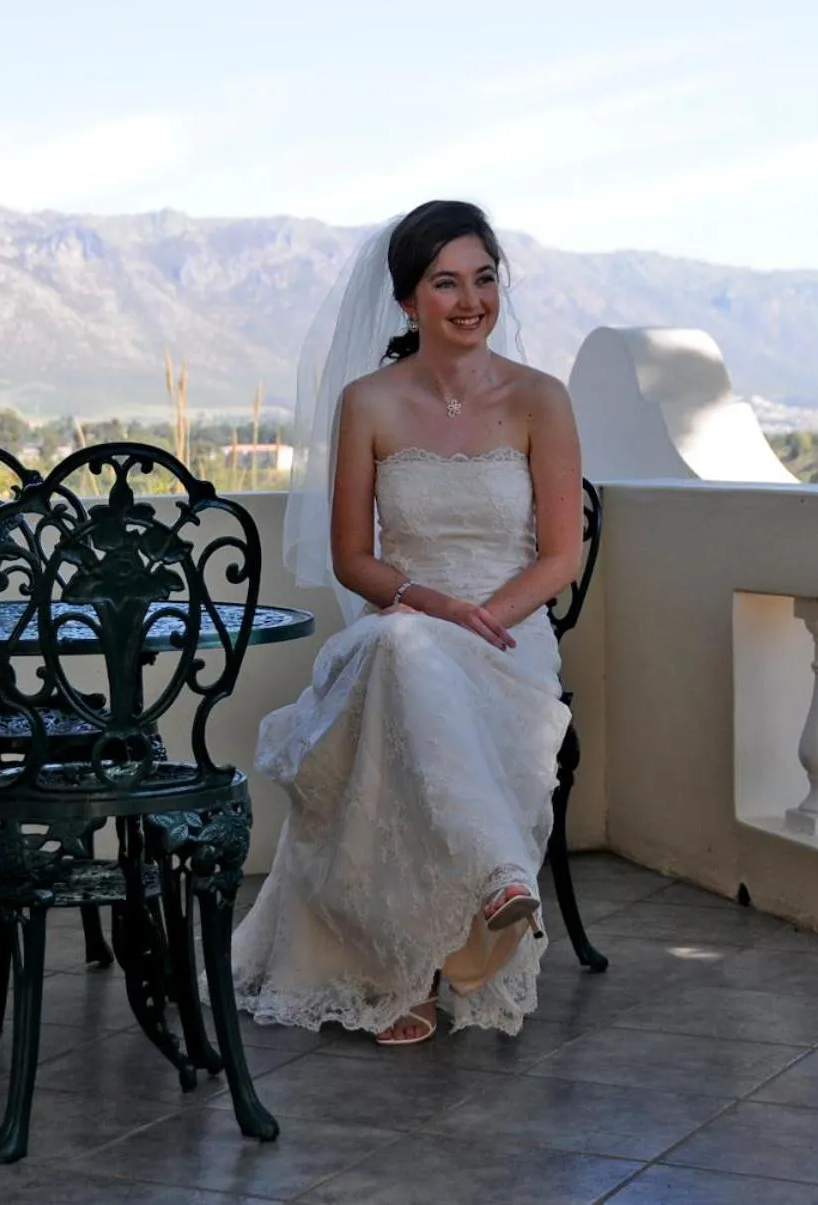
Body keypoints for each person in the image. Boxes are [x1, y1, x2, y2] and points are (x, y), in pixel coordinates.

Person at [232, 200, 584, 1045]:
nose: (470, 300)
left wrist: (481, 617)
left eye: (484, 279)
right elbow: (354, 558)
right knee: (395, 648)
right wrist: (430, 604)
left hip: (507, 635)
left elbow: (559, 555)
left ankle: (419, 966)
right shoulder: (369, 402)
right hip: (407, 616)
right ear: (406, 301)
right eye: (445, 283)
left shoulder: (541, 399)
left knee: (399, 667)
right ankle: (467, 908)